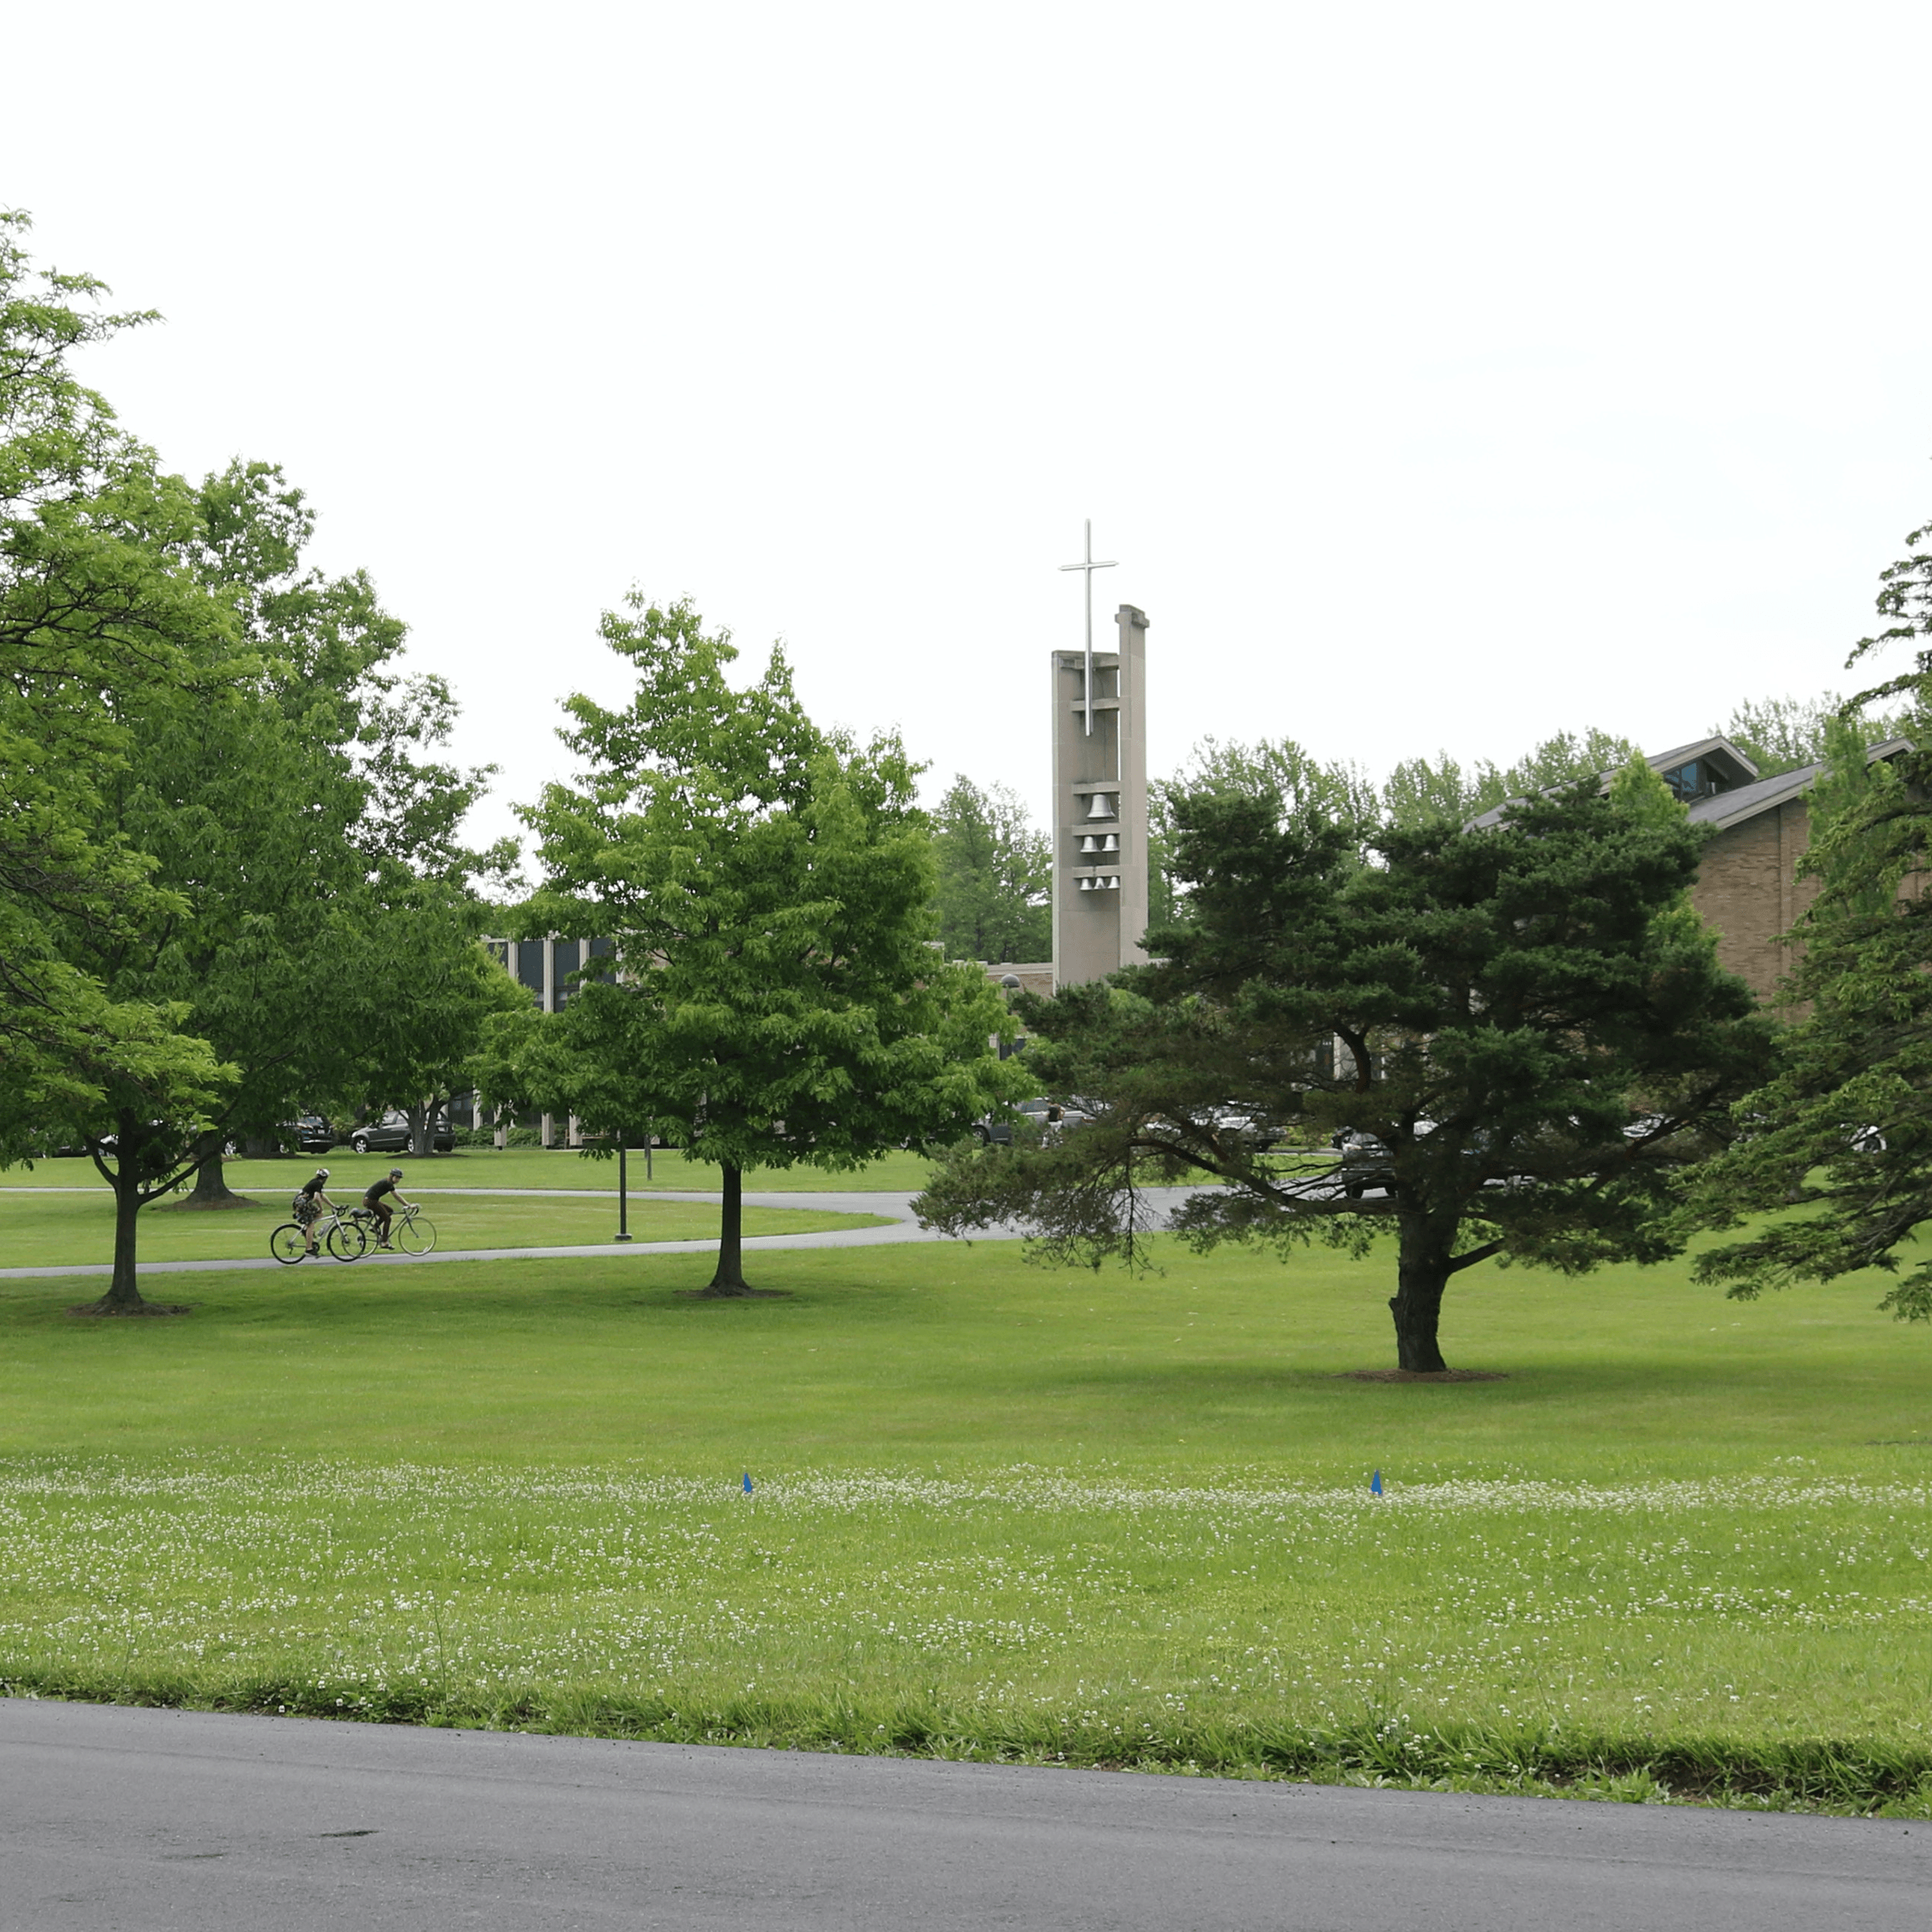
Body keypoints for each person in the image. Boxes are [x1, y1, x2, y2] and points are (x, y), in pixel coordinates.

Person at [362, 1167, 412, 1249]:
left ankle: (375, 1227)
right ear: (391, 1176)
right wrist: (408, 1205)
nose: (398, 1180)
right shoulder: (388, 1183)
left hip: (371, 1200)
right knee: (387, 1219)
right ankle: (384, 1242)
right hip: (370, 1201)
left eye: (399, 1178)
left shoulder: (387, 1182)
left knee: (390, 1210)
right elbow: (397, 1196)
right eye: (396, 1177)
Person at [292, 1168, 335, 1257]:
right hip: (303, 1204)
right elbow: (316, 1198)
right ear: (325, 1178)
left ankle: (306, 1231)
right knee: (311, 1223)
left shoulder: (315, 1182)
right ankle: (309, 1249)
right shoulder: (319, 1184)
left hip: (300, 1202)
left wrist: (333, 1206)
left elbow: (322, 1196)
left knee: (319, 1215)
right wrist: (320, 1207)